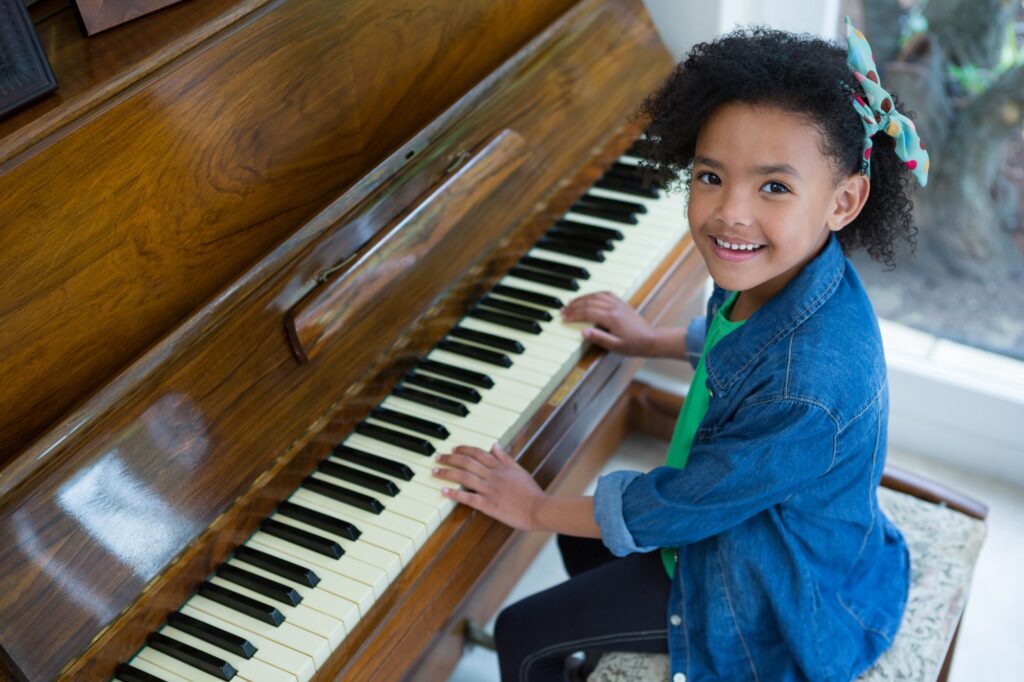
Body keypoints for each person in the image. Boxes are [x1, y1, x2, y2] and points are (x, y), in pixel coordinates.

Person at [433, 18, 928, 682]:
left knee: (524, 629)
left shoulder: (804, 382)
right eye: (710, 176)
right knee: (580, 545)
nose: (730, 213)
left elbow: (681, 503)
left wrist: (531, 506)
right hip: (744, 532)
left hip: (765, 592)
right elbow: (732, 342)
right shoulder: (783, 275)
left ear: (844, 201)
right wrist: (651, 339)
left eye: (773, 187)